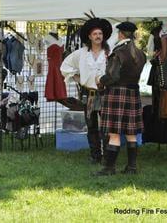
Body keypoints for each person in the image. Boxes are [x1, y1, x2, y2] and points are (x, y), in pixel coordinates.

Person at [94, 21, 146, 175]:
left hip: (117, 94)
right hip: (133, 93)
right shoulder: (140, 53)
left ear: (121, 34)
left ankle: (109, 168)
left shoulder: (118, 53)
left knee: (114, 133)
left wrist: (100, 80)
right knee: (131, 133)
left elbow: (112, 76)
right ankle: (131, 168)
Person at [61, 17, 112, 164]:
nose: (98, 36)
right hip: (89, 94)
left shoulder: (109, 53)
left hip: (105, 94)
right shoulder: (81, 53)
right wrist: (77, 77)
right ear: (89, 36)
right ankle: (95, 155)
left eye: (100, 34)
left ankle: (108, 156)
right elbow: (65, 66)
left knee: (107, 125)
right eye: (95, 34)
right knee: (91, 126)